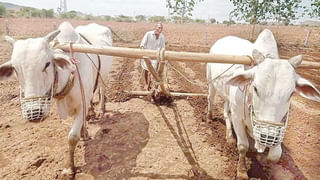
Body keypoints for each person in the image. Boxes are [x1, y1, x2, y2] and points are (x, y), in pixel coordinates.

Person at [140, 22, 166, 90]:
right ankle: (146, 84)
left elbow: (163, 47)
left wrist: (162, 56)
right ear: (155, 28)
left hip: (155, 57)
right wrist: (143, 51)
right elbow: (142, 44)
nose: (160, 29)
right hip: (147, 55)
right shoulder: (148, 34)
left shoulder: (162, 37)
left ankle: (149, 85)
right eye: (159, 27)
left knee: (152, 72)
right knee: (146, 70)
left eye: (161, 28)